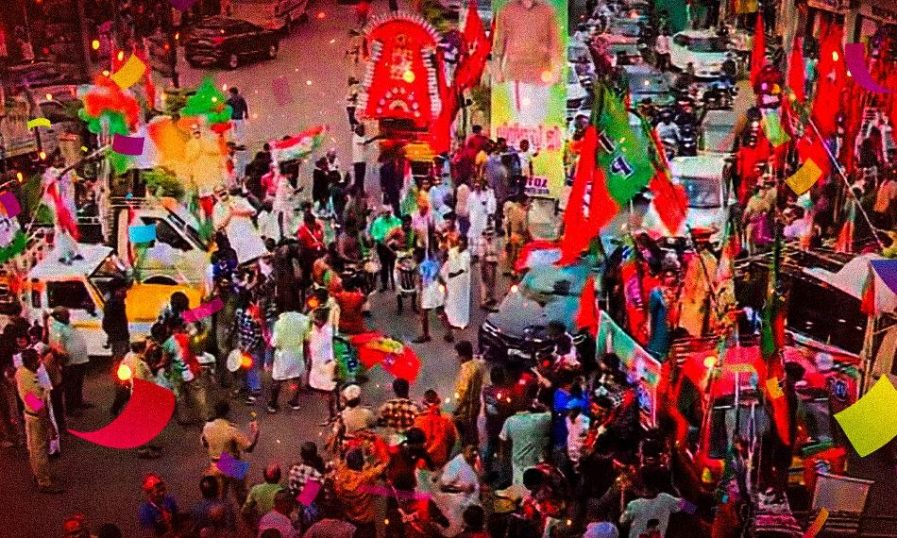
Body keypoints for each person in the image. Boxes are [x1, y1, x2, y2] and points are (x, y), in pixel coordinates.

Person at [16, 348, 63, 493]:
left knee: (34, 448)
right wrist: (50, 426)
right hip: (36, 418)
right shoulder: (31, 384)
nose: (40, 362)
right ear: (31, 363)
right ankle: (44, 482)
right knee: (39, 450)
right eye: (37, 360)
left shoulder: (22, 372)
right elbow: (38, 407)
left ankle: (39, 474)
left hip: (31, 415)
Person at [201, 400, 260, 505]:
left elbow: (204, 443)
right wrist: (255, 433)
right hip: (230, 463)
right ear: (227, 413)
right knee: (241, 493)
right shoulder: (231, 429)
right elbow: (248, 448)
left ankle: (219, 512)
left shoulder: (207, 426)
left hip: (214, 464)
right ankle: (245, 511)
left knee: (219, 496)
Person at [333, 447, 389, 538]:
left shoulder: (341, 478)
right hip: (366, 524)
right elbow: (382, 466)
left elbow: (340, 467)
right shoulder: (366, 478)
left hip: (349, 521)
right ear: (361, 463)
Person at [499, 387, 551, 485]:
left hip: (518, 467)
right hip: (536, 467)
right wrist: (541, 406)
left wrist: (503, 458)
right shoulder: (541, 420)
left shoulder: (509, 421)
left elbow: (503, 441)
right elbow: (551, 413)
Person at [47, 306, 90, 412]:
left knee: (78, 383)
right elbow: (56, 346)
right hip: (70, 363)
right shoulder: (57, 328)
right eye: (65, 314)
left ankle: (78, 402)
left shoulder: (67, 324)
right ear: (58, 316)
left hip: (79, 360)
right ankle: (71, 408)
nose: (68, 315)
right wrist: (62, 358)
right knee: (70, 386)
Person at [212, 185, 267, 265]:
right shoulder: (217, 208)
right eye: (218, 192)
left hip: (251, 239)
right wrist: (230, 214)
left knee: (263, 262)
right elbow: (218, 226)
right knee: (247, 265)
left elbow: (252, 211)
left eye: (222, 190)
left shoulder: (238, 199)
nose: (221, 192)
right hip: (237, 243)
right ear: (215, 195)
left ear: (227, 190)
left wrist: (237, 212)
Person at [267, 308, 308, 413]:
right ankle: (294, 402)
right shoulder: (304, 319)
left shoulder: (280, 323)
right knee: (296, 379)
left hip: (282, 357)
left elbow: (274, 343)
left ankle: (273, 404)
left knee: (277, 380)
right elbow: (307, 339)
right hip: (297, 355)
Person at [619, 470, 682, 538]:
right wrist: (676, 488)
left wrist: (623, 494)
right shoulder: (666, 499)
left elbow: (622, 522)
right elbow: (688, 507)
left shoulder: (634, 505)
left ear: (644, 487)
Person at [413, 389, 458, 467]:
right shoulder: (446, 420)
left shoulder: (417, 421)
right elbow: (452, 441)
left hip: (422, 464)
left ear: (423, 402)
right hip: (440, 462)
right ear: (438, 401)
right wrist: (446, 456)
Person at [453, 340, 485, 445]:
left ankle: (468, 445)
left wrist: (456, 410)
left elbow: (464, 395)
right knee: (473, 428)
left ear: (462, 356)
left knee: (465, 428)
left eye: (457, 354)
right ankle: (474, 442)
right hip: (476, 403)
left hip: (467, 409)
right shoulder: (478, 364)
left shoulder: (466, 371)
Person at [647, 270, 678, 360]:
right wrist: (649, 326)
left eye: (672, 276)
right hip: (659, 327)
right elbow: (651, 311)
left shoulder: (677, 292)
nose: (671, 279)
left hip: (671, 329)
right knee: (655, 351)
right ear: (663, 278)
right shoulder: (656, 293)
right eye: (668, 276)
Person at [442, 236, 472, 330]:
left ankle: (460, 322)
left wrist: (453, 274)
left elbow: (462, 269)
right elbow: (448, 261)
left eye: (462, 244)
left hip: (461, 282)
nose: (460, 246)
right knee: (451, 300)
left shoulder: (466, 255)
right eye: (459, 243)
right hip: (452, 283)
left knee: (460, 302)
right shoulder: (453, 251)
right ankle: (451, 320)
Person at [102, 279, 129, 359]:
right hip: (119, 340)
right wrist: (115, 336)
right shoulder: (113, 305)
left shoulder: (119, 303)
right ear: (116, 291)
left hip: (122, 338)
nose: (125, 294)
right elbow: (106, 324)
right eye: (123, 291)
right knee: (120, 361)